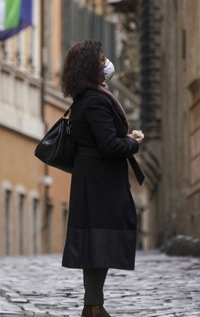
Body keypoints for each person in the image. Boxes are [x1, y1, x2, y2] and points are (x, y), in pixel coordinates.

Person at [59, 39, 144, 317]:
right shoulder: (95, 100)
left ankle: (93, 305)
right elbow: (108, 145)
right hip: (100, 180)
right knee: (99, 242)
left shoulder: (86, 98)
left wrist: (123, 139)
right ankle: (94, 305)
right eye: (100, 59)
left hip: (94, 178)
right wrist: (132, 143)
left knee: (96, 242)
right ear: (90, 67)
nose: (106, 64)